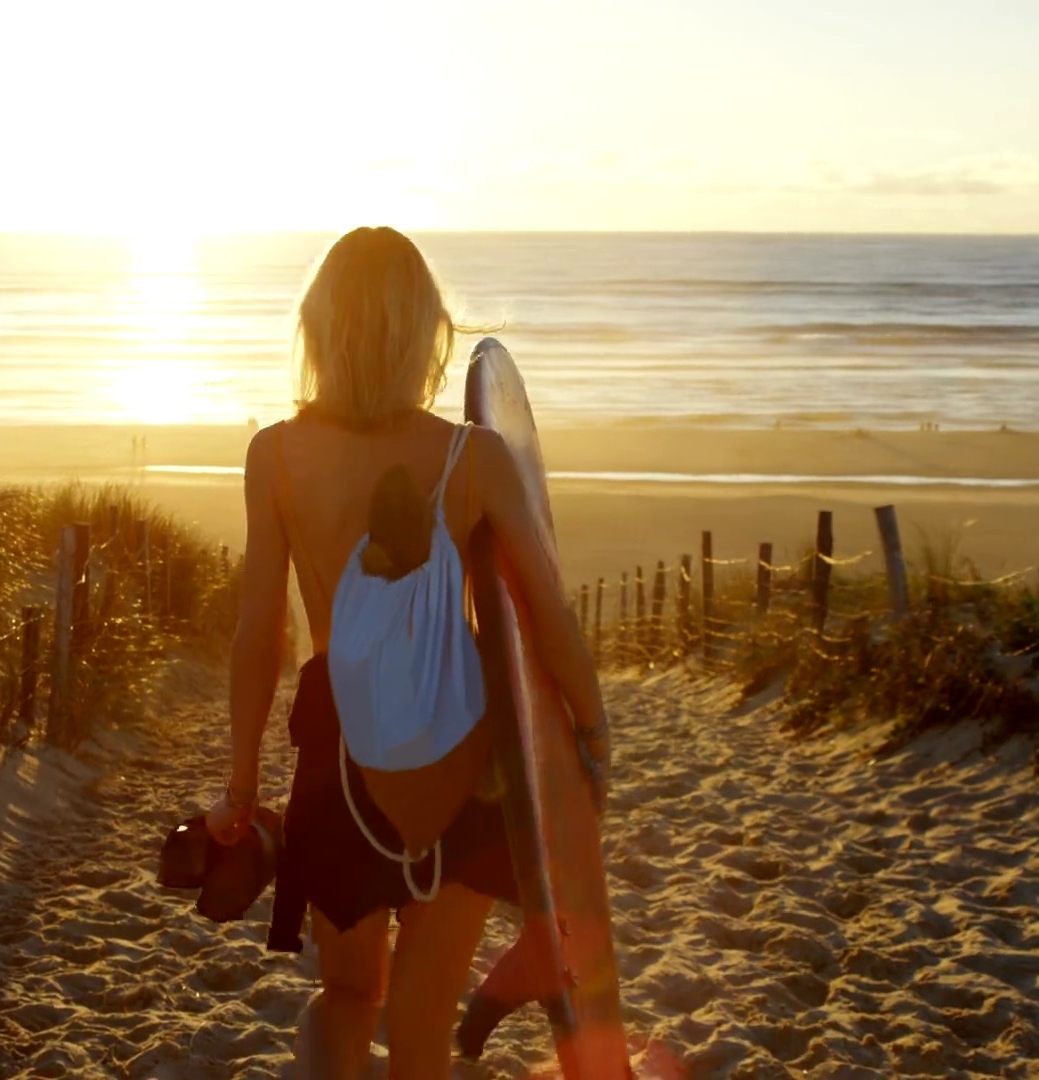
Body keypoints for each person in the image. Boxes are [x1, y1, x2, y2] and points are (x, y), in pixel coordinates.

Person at [204, 226, 607, 1079]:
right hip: (462, 757)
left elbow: (258, 633)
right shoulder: (473, 456)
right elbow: (547, 617)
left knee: (348, 997)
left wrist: (241, 782)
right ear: (427, 331)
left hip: (339, 760)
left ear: (318, 328)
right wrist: (590, 735)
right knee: (422, 1030)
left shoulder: (274, 455)